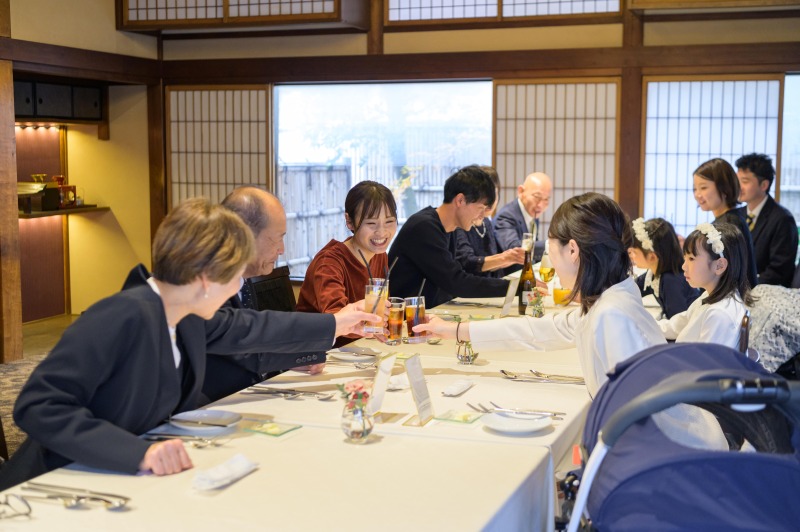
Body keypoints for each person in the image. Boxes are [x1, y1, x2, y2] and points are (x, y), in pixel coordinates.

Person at [0, 198, 378, 489]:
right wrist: (140, 452)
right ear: (203, 277)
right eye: (233, 276)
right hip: (57, 481)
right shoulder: (121, 315)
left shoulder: (187, 317)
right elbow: (37, 406)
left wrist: (327, 330)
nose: (238, 287)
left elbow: (246, 328)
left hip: (127, 477)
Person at [414, 192, 666, 397]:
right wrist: (453, 330)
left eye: (551, 250)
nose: (551, 263)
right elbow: (535, 331)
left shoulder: (612, 314)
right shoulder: (611, 299)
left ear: (573, 250)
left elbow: (635, 406)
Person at [202, 187, 324, 403]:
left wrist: (296, 357)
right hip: (216, 407)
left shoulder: (244, 280)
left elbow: (255, 345)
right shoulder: (207, 288)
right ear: (244, 236)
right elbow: (245, 345)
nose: (282, 250)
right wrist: (336, 324)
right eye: (277, 238)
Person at [388, 165, 510, 307]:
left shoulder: (449, 228)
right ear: (460, 200)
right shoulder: (424, 227)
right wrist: (512, 287)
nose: (481, 216)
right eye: (480, 209)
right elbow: (456, 282)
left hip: (431, 313)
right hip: (406, 320)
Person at [297, 181, 397, 345]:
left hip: (359, 350)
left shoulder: (380, 256)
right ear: (349, 221)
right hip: (319, 354)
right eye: (371, 223)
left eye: (389, 221)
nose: (382, 232)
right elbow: (335, 319)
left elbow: (378, 315)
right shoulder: (329, 262)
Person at [657, 223, 754, 347]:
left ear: (719, 266)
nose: (683, 266)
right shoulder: (709, 296)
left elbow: (706, 363)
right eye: (684, 258)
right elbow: (678, 325)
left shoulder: (719, 313)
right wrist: (644, 324)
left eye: (691, 259)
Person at [692, 158, 758, 288]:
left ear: (724, 188)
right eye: (695, 189)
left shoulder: (729, 224)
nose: (697, 194)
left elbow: (727, 273)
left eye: (703, 187)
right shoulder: (729, 219)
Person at [736, 153, 798, 287]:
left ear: (764, 185)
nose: (738, 186)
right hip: (737, 291)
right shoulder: (737, 215)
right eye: (737, 180)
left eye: (745, 181)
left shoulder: (783, 219)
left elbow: (779, 269)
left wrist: (746, 287)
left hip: (768, 293)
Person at [451, 166, 525, 278]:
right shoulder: (460, 223)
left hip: (487, 289)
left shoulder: (486, 222)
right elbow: (467, 263)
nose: (490, 201)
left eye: (494, 194)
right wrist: (504, 258)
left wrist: (506, 260)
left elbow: (491, 267)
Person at [629, 217, 700, 319]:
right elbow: (633, 288)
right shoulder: (654, 273)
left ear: (652, 257)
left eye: (634, 252)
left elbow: (677, 323)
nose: (631, 255)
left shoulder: (670, 280)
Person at [494, 171, 552, 263]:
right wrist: (550, 245)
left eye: (546, 199)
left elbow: (532, 247)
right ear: (521, 191)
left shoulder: (533, 213)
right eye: (537, 196)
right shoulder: (506, 216)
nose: (540, 205)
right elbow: (515, 249)